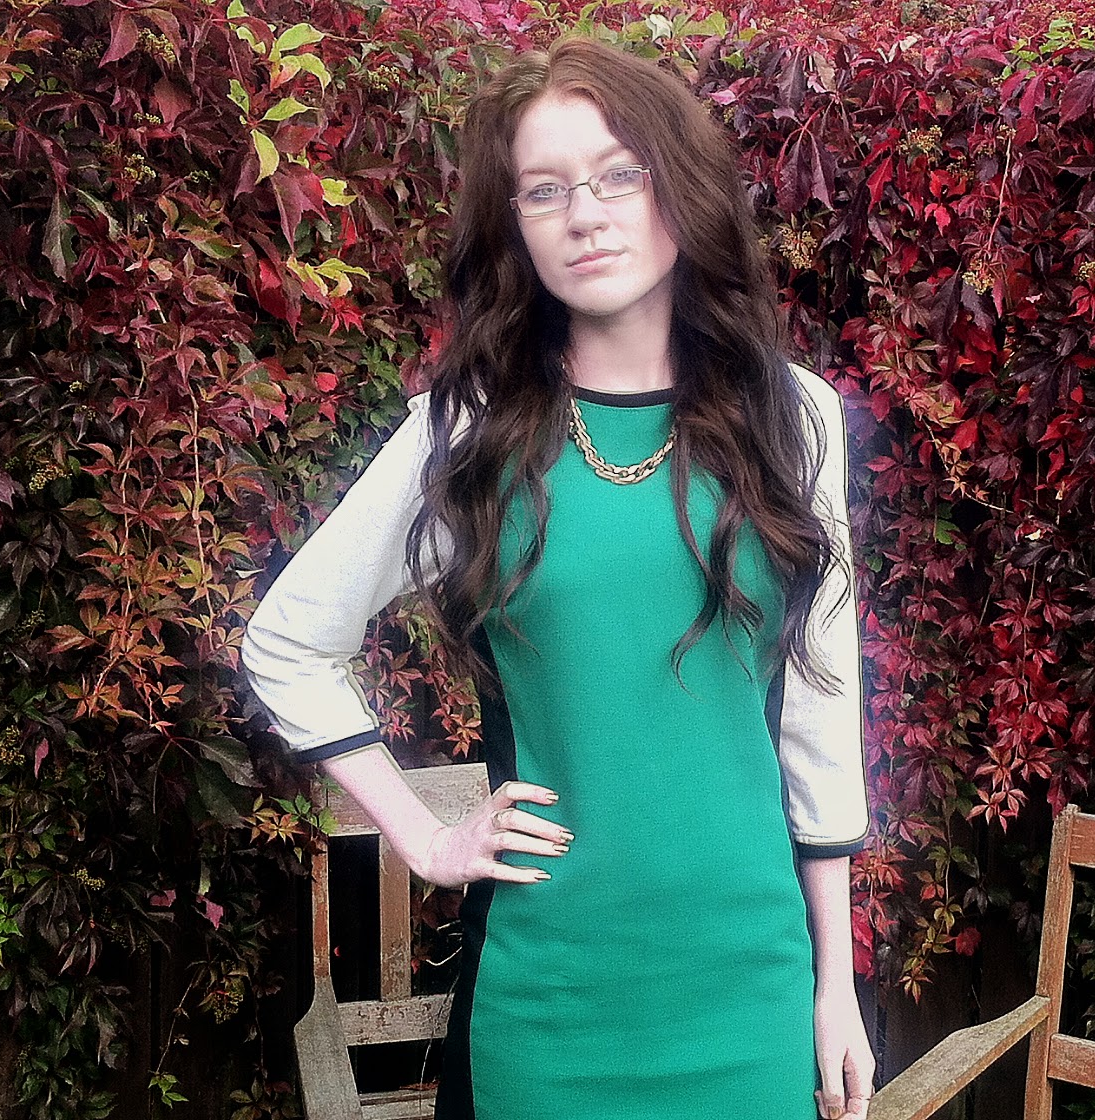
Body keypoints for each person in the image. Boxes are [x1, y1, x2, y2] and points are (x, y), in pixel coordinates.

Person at [240, 33, 873, 1120]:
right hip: (550, 998)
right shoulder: (470, 433)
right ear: (516, 226)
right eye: (544, 190)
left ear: (680, 185)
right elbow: (288, 643)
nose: (585, 214)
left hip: (751, 990)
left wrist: (836, 985)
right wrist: (426, 837)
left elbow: (821, 708)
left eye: (620, 174)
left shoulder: (795, 416)